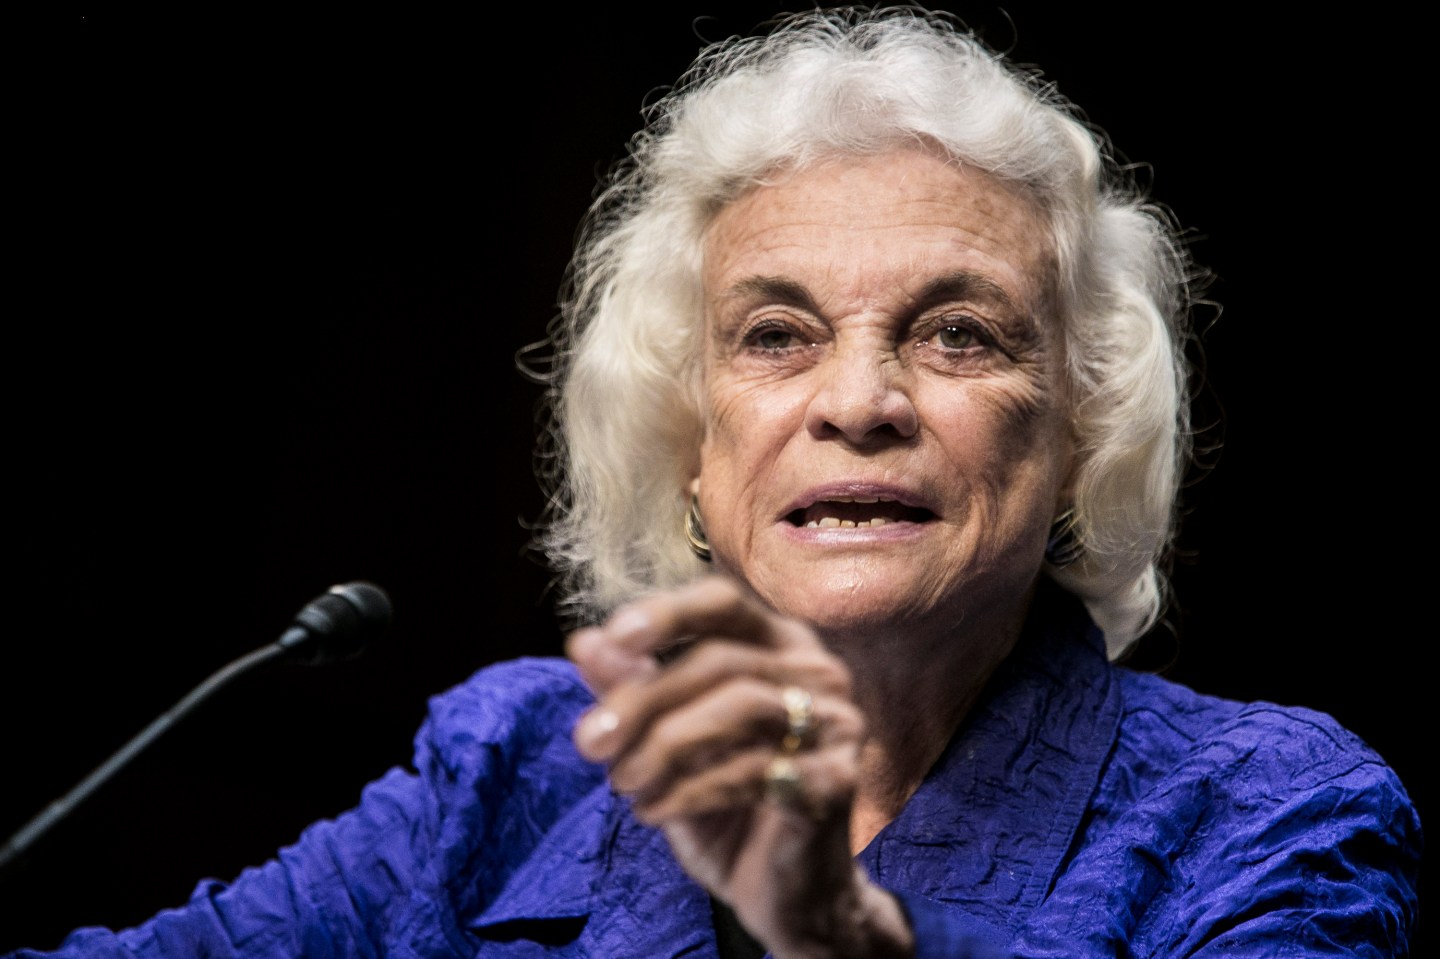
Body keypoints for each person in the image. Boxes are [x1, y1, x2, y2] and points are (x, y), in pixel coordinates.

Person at [5, 6, 1422, 957]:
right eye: (776, 336)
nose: (858, 404)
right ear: (689, 439)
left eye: (957, 334)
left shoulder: (1266, 815)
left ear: (1077, 433)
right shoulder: (518, 762)